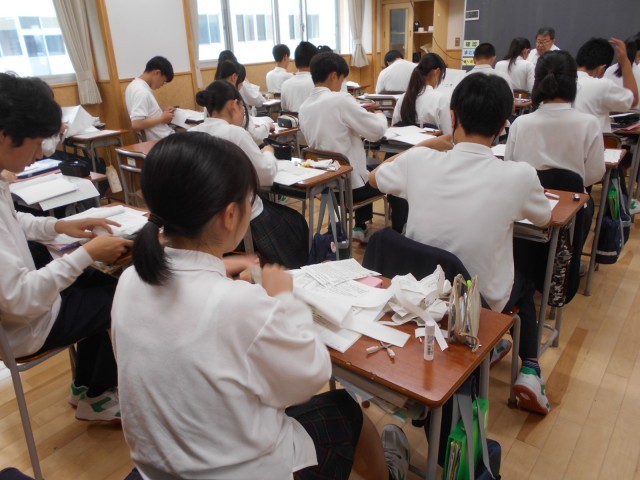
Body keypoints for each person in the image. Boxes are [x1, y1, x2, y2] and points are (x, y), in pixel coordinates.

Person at [110, 131, 410, 480]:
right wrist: (284, 298)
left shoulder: (129, 281)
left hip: (159, 467)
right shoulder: (239, 305)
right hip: (244, 470)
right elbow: (312, 374)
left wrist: (216, 268)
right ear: (230, 215)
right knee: (347, 408)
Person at [370, 73, 553, 415]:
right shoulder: (519, 175)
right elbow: (544, 218)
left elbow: (374, 177)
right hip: (474, 305)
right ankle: (529, 369)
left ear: (452, 117)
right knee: (525, 283)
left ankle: (496, 350)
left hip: (417, 293)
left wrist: (429, 144)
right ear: (504, 126)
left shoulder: (420, 162)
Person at [0, 73, 131, 422]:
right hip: (26, 325)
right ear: (5, 135)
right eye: (36, 143)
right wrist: (87, 253)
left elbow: (15, 220)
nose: (39, 153)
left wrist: (58, 226)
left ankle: (87, 386)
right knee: (120, 299)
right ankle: (98, 397)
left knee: (104, 284)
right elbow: (19, 299)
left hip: (28, 305)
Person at [190, 80, 308, 268]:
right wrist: (268, 153)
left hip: (206, 223)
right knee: (296, 221)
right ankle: (296, 273)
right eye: (243, 111)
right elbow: (265, 177)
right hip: (245, 221)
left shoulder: (191, 133)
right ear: (234, 105)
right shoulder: (234, 134)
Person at [299, 52, 394, 242]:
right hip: (351, 188)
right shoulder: (340, 100)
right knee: (393, 170)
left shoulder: (304, 107)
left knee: (366, 167)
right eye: (342, 79)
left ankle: (360, 226)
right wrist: (379, 115)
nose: (341, 84)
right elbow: (376, 132)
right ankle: (398, 230)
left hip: (324, 185)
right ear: (334, 75)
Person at [574, 38, 638, 133]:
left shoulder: (559, 82)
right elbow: (633, 99)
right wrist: (625, 62)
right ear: (602, 69)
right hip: (596, 141)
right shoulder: (601, 85)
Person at [217, 60, 275, 145]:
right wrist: (267, 126)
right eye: (242, 81)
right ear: (234, 77)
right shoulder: (235, 102)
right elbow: (254, 135)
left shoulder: (214, 95)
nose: (242, 85)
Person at [392, 52, 451, 134]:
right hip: (431, 143)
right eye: (442, 75)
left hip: (403, 142)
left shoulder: (403, 98)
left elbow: (394, 130)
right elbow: (448, 134)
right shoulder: (441, 99)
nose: (441, 80)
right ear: (437, 72)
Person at [124, 56, 175, 140]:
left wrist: (163, 113)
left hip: (163, 138)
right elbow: (137, 124)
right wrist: (162, 118)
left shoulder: (133, 85)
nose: (162, 85)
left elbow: (147, 114)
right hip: (162, 140)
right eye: (163, 81)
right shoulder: (141, 91)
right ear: (157, 73)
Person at [280, 41, 317, 112]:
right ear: (314, 60)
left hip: (290, 118)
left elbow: (284, 109)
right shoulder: (317, 83)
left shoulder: (285, 84)